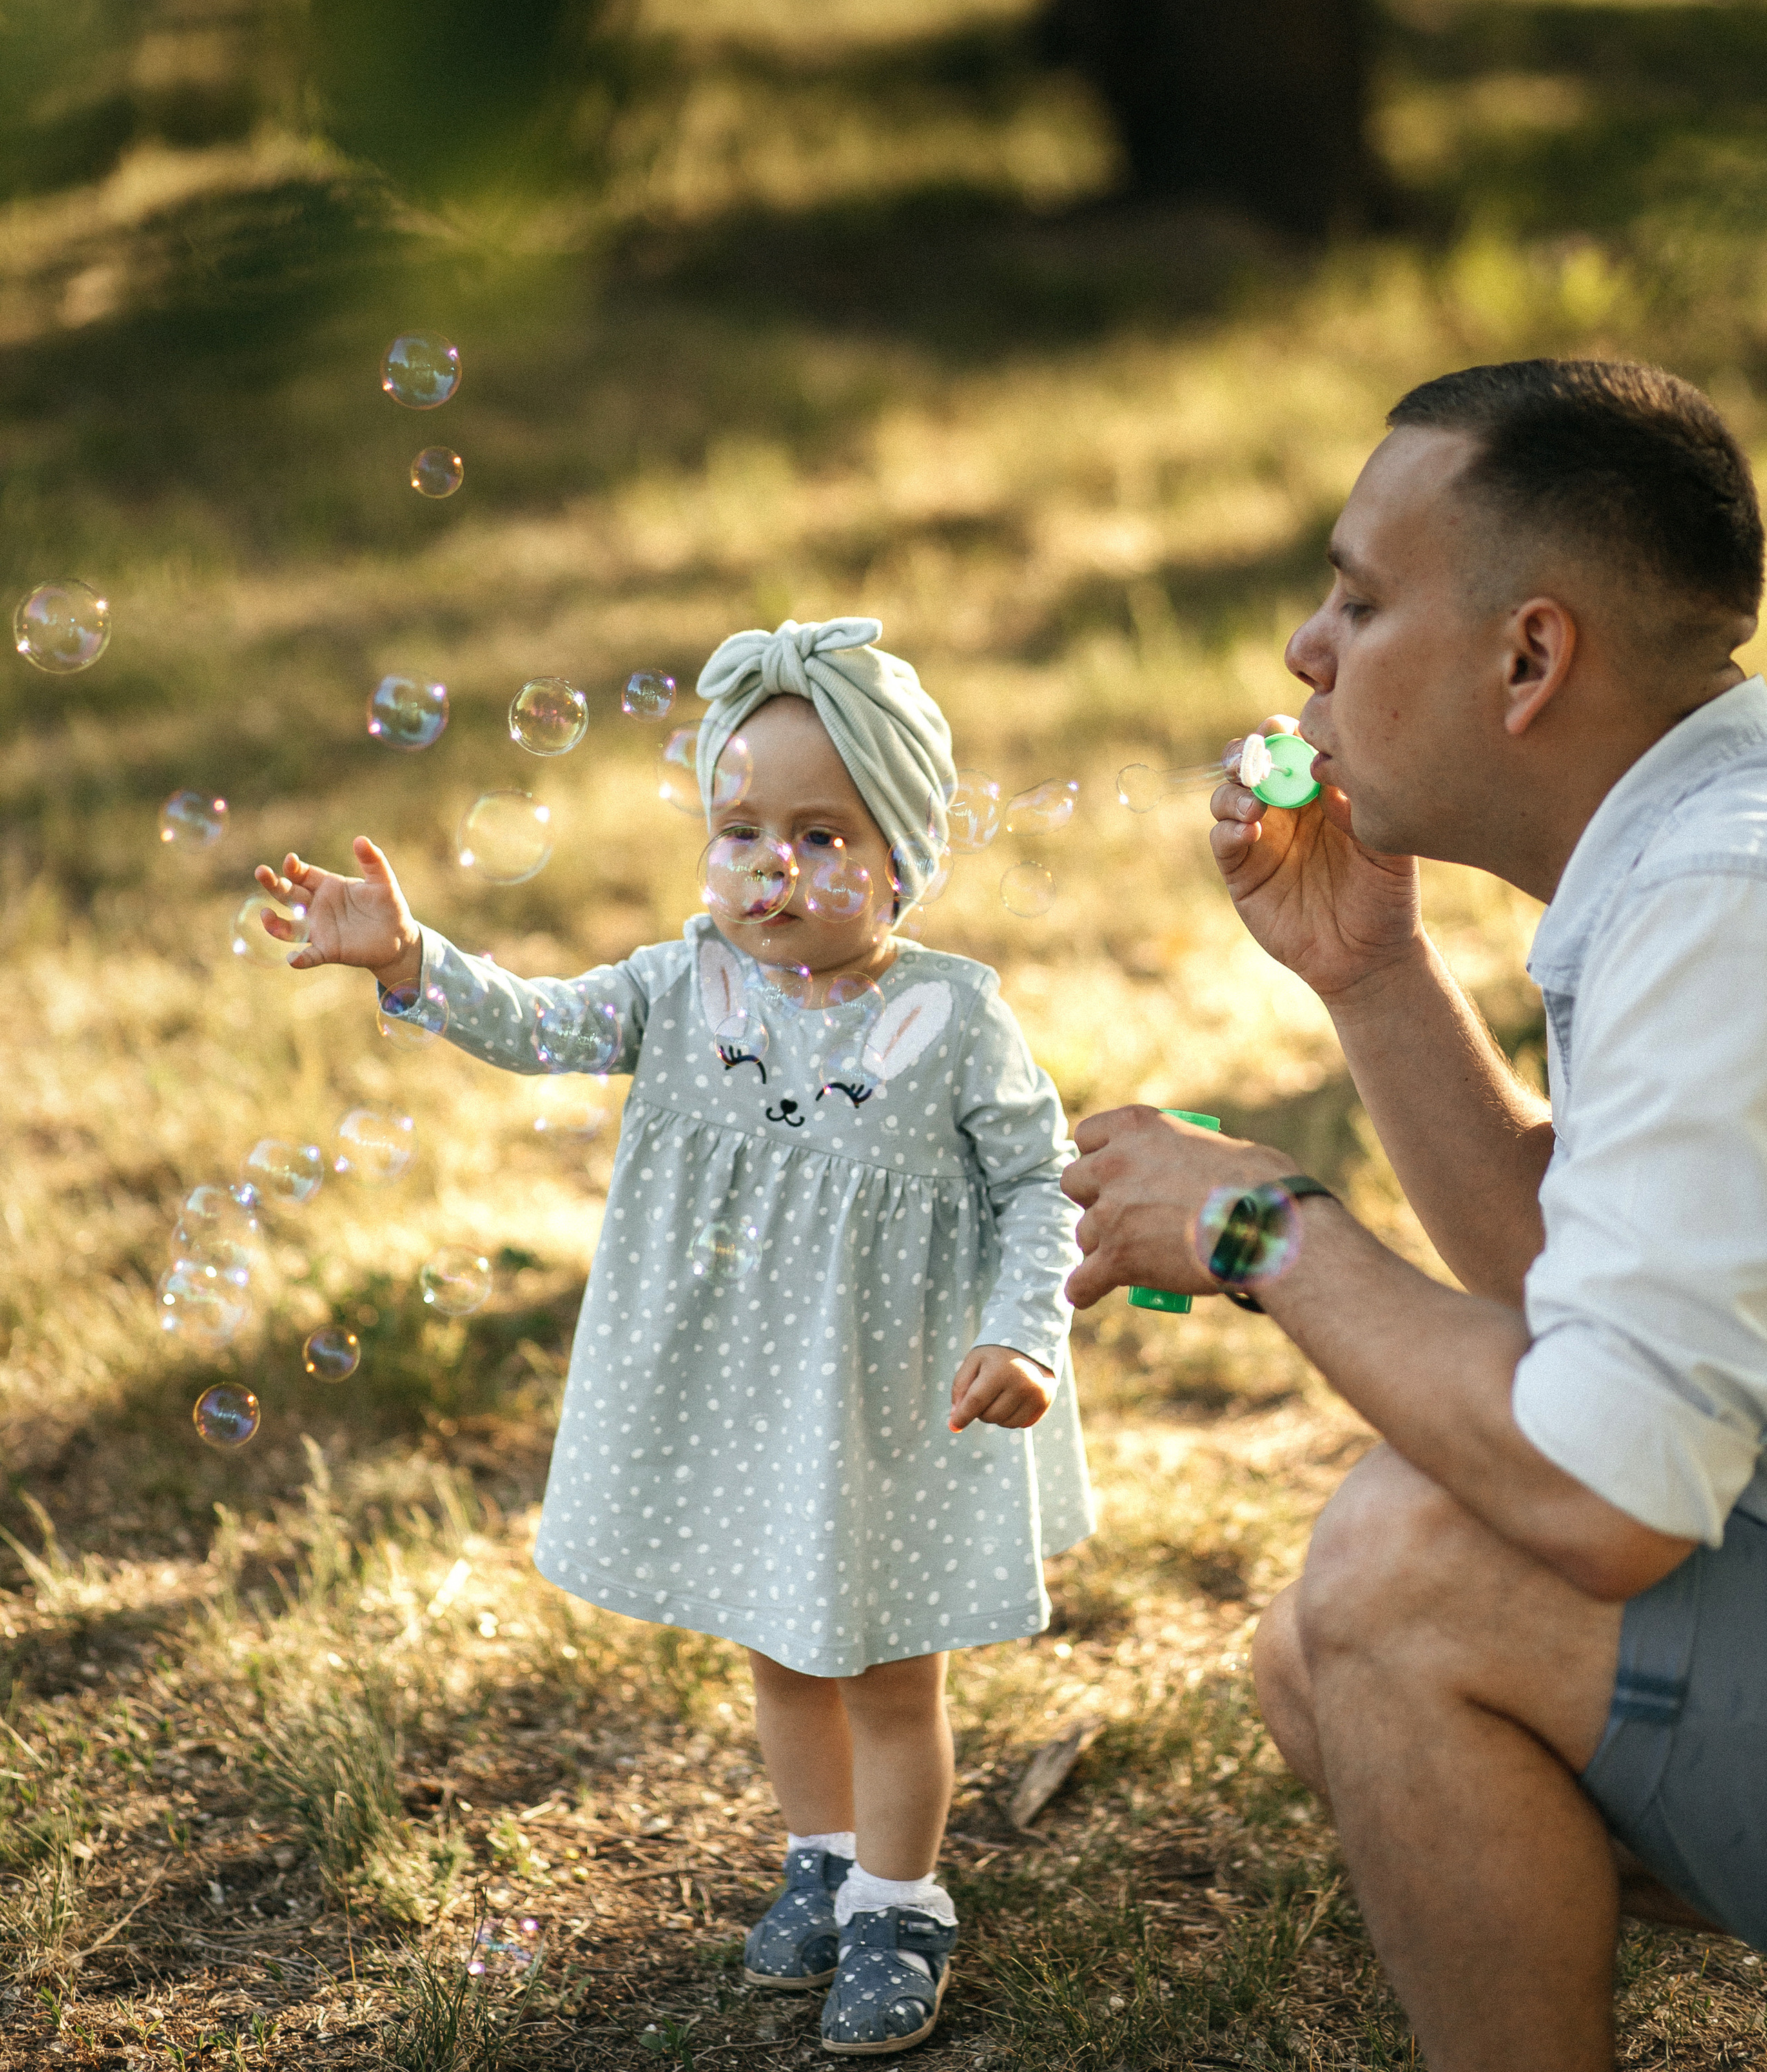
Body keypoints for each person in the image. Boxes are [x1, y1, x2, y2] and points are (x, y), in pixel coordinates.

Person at [253, 615, 1092, 2059]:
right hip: (743, 1395)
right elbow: (533, 1022)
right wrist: (408, 958)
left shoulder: (957, 1020)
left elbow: (1039, 1189)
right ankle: (820, 1857)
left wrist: (1021, 1337)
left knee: (888, 1669)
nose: (776, 866)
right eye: (742, 828)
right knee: (778, 1647)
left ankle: (901, 1898)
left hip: (897, 1404)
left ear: (901, 849)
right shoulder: (674, 984)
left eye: (823, 833)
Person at [1062, 358, 1767, 2072]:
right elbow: (1587, 1296)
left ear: (1528, 658)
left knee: (1408, 1572)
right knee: (1317, 1660)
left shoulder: (1720, 901)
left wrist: (1263, 1231)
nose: (1306, 650)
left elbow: (1603, 1497)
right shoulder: (1697, 840)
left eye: (1360, 600)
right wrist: (1366, 971)